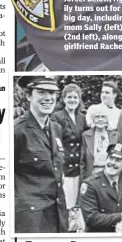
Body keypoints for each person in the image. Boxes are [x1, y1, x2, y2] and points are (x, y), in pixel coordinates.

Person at [14, 76, 68, 233]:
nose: (48, 98)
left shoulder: (56, 128)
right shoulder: (17, 131)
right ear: (29, 96)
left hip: (57, 213)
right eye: (41, 92)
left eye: (52, 93)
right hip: (31, 218)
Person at [51, 83, 88, 213]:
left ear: (79, 100)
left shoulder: (82, 118)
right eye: (69, 97)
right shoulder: (57, 116)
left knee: (77, 202)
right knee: (65, 201)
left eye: (75, 97)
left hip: (78, 165)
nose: (72, 100)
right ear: (64, 98)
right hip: (65, 165)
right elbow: (55, 144)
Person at [80, 104, 119, 180]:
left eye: (103, 117)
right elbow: (82, 161)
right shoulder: (86, 135)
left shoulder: (115, 135)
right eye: (97, 117)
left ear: (107, 119)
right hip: (92, 173)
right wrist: (83, 180)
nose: (100, 120)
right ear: (93, 119)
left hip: (111, 173)